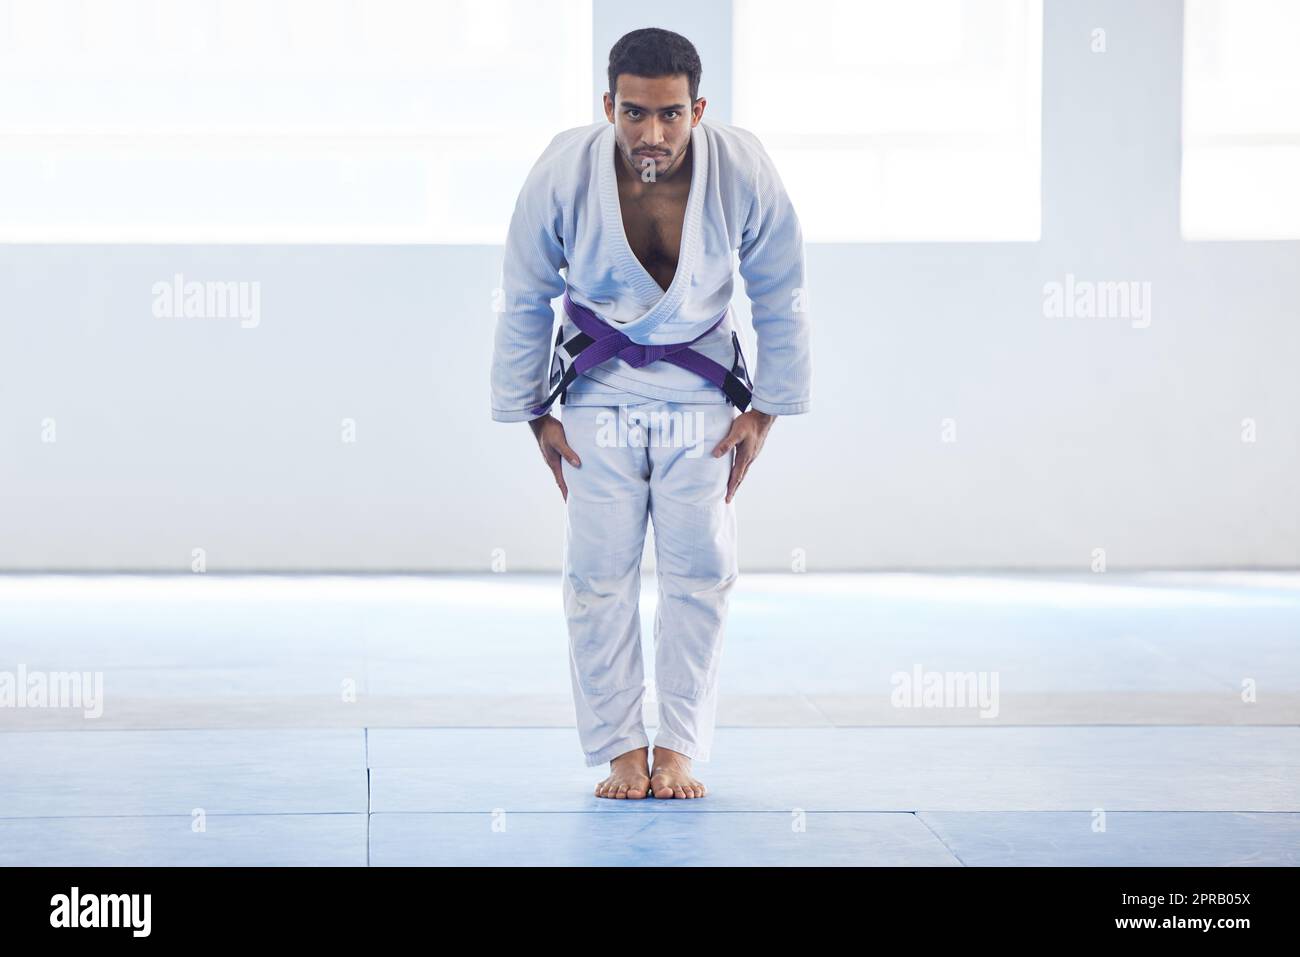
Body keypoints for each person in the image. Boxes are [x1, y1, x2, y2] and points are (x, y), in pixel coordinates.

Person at [490, 27, 811, 799]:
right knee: (597, 575)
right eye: (634, 114)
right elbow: (525, 290)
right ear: (609, 104)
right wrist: (534, 410)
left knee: (701, 569)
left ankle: (678, 747)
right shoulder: (564, 168)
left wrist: (766, 407)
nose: (652, 134)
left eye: (670, 115)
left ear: (699, 108)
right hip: (597, 391)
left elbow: (781, 286)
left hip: (702, 391)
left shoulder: (742, 167)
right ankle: (620, 749)